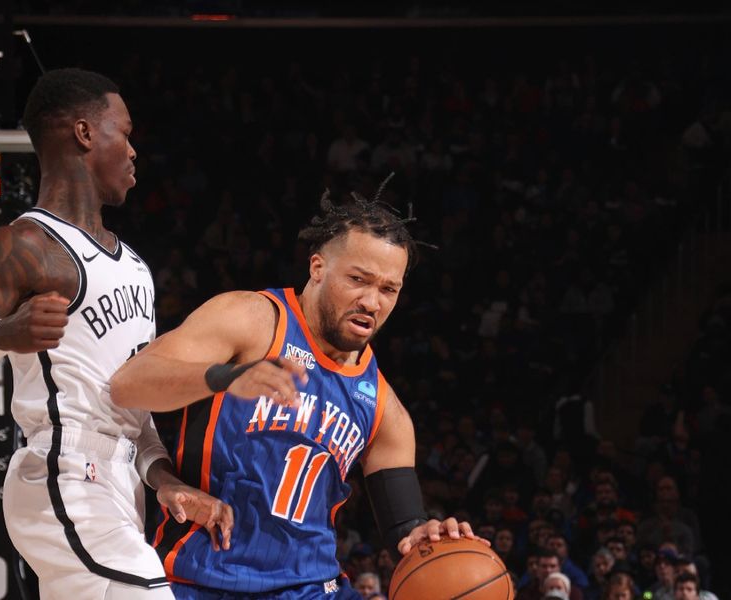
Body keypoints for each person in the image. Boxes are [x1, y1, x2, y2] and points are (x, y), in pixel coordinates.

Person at [0, 68, 232, 599]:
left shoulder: (136, 268)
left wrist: (166, 481)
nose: (135, 150)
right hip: (63, 470)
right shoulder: (21, 247)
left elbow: (134, 413)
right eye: (126, 131)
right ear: (85, 133)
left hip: (120, 488)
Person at [111, 189, 488, 598]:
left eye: (388, 289)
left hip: (312, 586)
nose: (371, 301)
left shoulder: (384, 408)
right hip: (200, 579)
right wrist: (224, 377)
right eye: (358, 279)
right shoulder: (253, 320)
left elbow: (404, 530)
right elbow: (130, 384)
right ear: (318, 267)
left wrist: (428, 535)